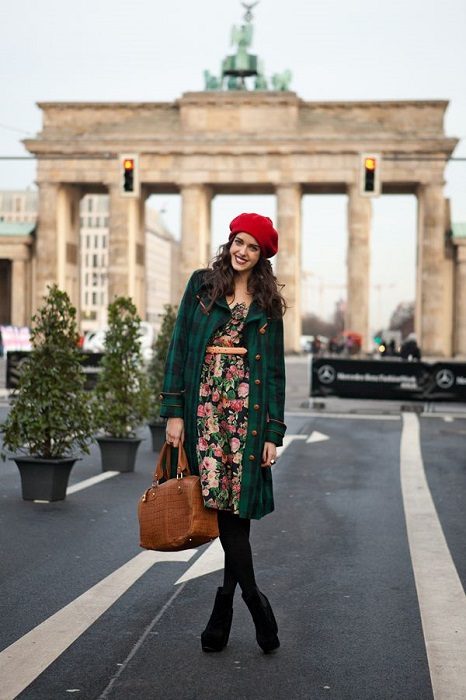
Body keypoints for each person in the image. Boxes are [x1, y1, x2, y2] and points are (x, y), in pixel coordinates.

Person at [159, 212, 287, 654]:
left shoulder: (267, 306)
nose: (241, 251)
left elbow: (273, 374)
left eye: (252, 246)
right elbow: (179, 348)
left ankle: (224, 609)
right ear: (229, 242)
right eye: (238, 241)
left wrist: (273, 431)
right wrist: (173, 411)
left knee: (237, 514)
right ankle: (254, 602)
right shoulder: (202, 286)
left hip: (245, 420)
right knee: (223, 512)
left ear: (262, 255)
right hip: (205, 411)